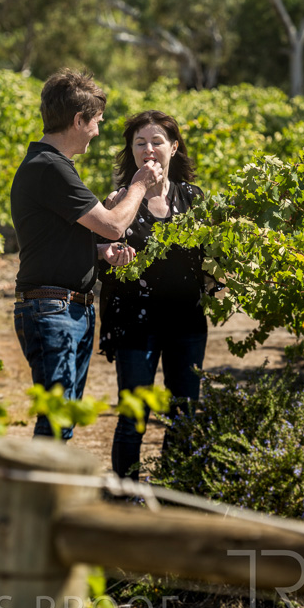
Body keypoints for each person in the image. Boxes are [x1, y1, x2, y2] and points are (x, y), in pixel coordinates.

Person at [10, 69, 163, 440]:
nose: (97, 130)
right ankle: (37, 480)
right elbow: (114, 224)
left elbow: (53, 241)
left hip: (62, 308)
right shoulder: (50, 167)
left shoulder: (51, 165)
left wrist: (97, 252)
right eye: (96, 122)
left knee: (62, 420)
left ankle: (44, 479)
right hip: (54, 310)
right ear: (78, 120)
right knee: (57, 421)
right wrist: (139, 186)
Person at [99, 110, 208, 478]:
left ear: (173, 148)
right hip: (135, 325)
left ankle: (174, 487)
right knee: (134, 416)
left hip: (187, 324)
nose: (148, 149)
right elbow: (100, 260)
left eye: (157, 142)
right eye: (140, 143)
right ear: (130, 151)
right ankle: (125, 493)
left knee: (184, 411)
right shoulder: (118, 203)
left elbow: (211, 258)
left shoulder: (193, 199)